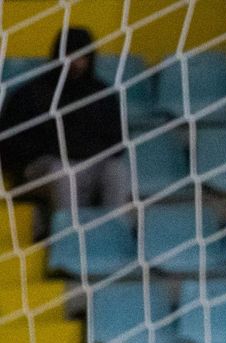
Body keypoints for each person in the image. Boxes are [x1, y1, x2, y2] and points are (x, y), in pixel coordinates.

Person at [0, 26, 130, 227]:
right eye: (70, 54)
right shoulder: (30, 94)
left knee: (116, 171)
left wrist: (85, 153)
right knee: (65, 173)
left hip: (90, 165)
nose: (76, 62)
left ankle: (112, 237)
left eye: (82, 55)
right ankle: (69, 239)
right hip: (45, 168)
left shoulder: (101, 94)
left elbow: (118, 141)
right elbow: (12, 145)